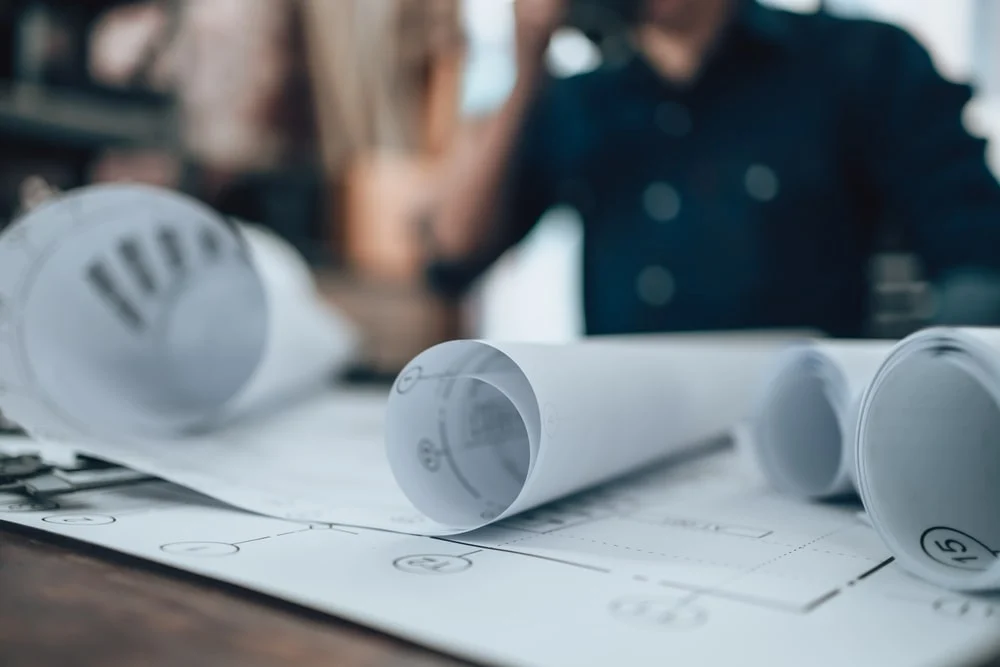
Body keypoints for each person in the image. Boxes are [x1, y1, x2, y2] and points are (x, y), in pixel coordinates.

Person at [425, 0, 1000, 337]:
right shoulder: (579, 103)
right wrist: (527, 63)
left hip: (803, 437)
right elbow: (454, 254)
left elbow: (978, 251)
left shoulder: (859, 61)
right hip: (626, 442)